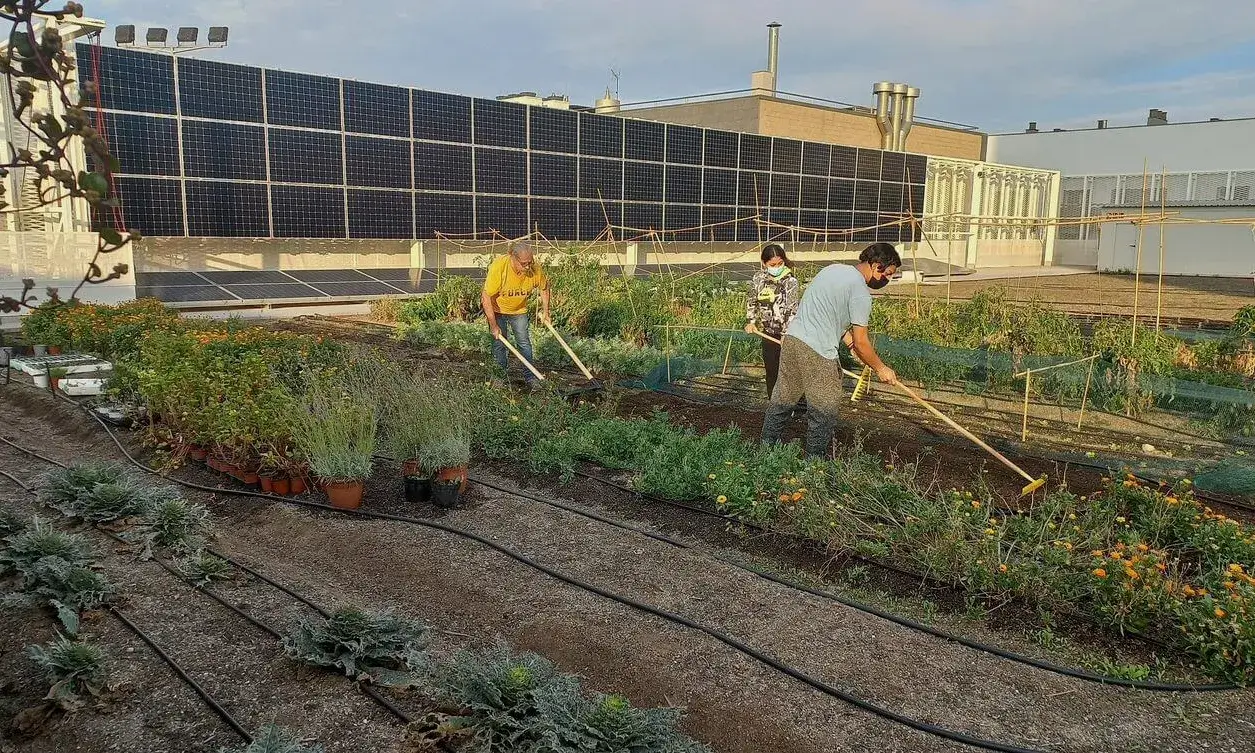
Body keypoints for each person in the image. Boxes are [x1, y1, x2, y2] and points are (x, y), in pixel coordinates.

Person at [761, 242, 901, 459]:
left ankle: (765, 453)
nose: (887, 279)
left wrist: (847, 340)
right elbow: (863, 342)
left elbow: (823, 311)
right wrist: (881, 368)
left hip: (793, 341)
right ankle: (813, 466)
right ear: (876, 266)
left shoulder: (832, 270)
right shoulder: (861, 293)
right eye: (888, 274)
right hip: (818, 352)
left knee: (781, 401)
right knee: (823, 411)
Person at [481, 241, 551, 387]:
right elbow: (486, 296)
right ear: (512, 257)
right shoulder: (499, 267)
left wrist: (546, 312)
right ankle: (500, 377)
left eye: (529, 263)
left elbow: (544, 288)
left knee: (524, 343)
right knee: (499, 344)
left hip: (519, 310)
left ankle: (530, 378)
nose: (527, 267)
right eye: (523, 263)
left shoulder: (534, 269)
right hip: (497, 310)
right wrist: (493, 325)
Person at [744, 243, 800, 398]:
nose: (777, 267)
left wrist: (786, 334)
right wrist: (751, 321)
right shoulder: (758, 279)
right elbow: (752, 301)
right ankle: (774, 405)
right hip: (768, 333)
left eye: (780, 263)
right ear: (764, 263)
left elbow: (792, 310)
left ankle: (797, 406)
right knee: (772, 370)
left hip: (788, 334)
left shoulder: (790, 281)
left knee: (790, 371)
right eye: (773, 265)